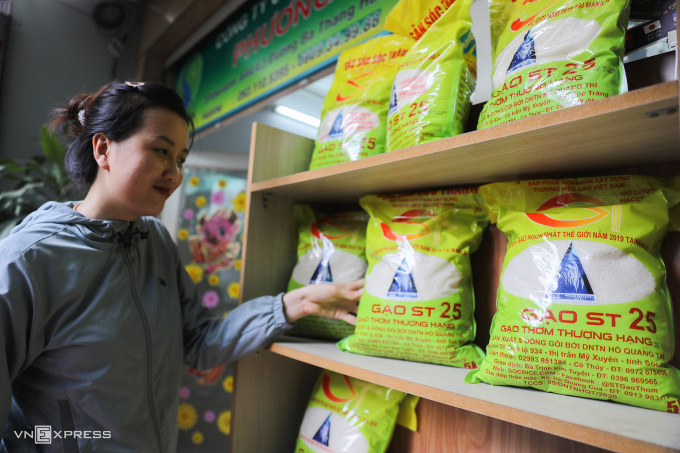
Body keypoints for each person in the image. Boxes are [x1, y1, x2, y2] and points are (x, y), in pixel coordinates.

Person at [0, 81, 363, 452]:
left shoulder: (154, 240)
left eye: (181, 159)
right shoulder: (28, 261)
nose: (174, 173)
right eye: (160, 151)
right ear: (103, 148)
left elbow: (198, 342)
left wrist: (294, 305)